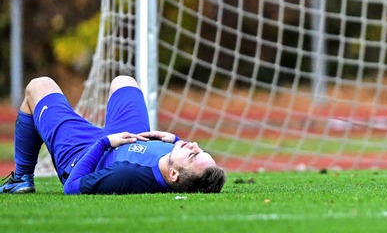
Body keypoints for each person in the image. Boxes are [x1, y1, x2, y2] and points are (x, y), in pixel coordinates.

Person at [1, 75, 227, 194]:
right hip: (131, 136)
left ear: (174, 175)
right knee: (124, 81)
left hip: (83, 153)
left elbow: (71, 187)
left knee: (39, 85)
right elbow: (183, 160)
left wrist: (104, 143)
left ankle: (21, 179)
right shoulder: (174, 162)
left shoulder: (127, 175)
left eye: (193, 155)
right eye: (200, 150)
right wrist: (175, 141)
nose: (194, 144)